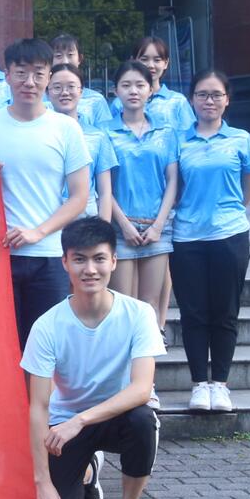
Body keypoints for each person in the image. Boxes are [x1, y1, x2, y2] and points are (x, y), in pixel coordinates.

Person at [21, 217, 164, 499]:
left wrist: (81, 420)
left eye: (99, 258)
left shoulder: (139, 314)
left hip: (116, 417)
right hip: (65, 426)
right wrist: (42, 483)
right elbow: (38, 406)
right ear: (65, 263)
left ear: (113, 261)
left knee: (144, 419)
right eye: (79, 259)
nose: (90, 269)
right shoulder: (47, 326)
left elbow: (141, 389)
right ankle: (89, 471)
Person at [0, 39, 91, 348]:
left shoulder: (66, 128)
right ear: (7, 75)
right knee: (0, 346)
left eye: (38, 74)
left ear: (48, 77)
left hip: (48, 255)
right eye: (21, 73)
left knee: (47, 346)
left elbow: (79, 197)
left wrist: (37, 232)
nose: (29, 82)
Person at [170, 70, 250, 414]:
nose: (209, 101)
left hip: (230, 235)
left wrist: (229, 210)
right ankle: (199, 384)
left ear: (227, 99)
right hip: (187, 237)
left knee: (225, 312)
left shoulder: (240, 138)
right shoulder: (178, 140)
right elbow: (173, 186)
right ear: (191, 99)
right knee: (193, 313)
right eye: (202, 94)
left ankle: (220, 384)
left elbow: (249, 187)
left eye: (215, 95)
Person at [104, 61, 179, 318]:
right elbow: (103, 186)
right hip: (119, 227)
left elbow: (172, 181)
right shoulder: (105, 132)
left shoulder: (166, 132)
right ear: (116, 90)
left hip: (157, 228)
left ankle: (150, 347)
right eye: (126, 85)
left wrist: (159, 225)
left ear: (150, 90)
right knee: (122, 304)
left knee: (150, 304)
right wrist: (123, 224)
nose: (133, 91)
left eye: (140, 85)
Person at [47, 64, 116, 222]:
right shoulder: (39, 133)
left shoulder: (97, 136)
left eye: (71, 86)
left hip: (85, 218)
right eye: (57, 87)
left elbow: (105, 192)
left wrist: (103, 230)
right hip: (46, 215)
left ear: (81, 91)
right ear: (47, 92)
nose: (65, 92)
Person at [111, 36, 196, 132]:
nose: (151, 65)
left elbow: (190, 137)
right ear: (133, 61)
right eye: (144, 59)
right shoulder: (119, 103)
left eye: (157, 60)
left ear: (166, 63)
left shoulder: (178, 101)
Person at [49, 33, 112, 130]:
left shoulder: (96, 99)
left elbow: (105, 132)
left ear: (80, 58)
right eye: (58, 55)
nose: (65, 61)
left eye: (70, 55)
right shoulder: (40, 99)